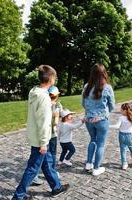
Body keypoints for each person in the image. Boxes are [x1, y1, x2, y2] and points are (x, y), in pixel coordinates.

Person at [12, 65, 69, 200]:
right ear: (50, 79)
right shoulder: (43, 97)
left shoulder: (35, 91)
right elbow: (43, 123)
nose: (55, 79)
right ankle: (18, 196)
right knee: (32, 168)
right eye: (54, 77)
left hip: (37, 137)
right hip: (41, 139)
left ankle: (56, 187)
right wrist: (43, 143)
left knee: (47, 162)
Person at [82, 63, 115, 176]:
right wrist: (103, 112)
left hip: (89, 119)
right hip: (101, 120)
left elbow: (83, 104)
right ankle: (96, 168)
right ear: (104, 73)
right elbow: (112, 106)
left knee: (92, 140)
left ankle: (88, 163)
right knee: (100, 144)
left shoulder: (87, 86)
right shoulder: (107, 87)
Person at [32, 86, 63, 185]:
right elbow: (56, 121)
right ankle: (52, 172)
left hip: (41, 134)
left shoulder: (42, 103)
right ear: (57, 96)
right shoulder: (56, 106)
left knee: (39, 156)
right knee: (52, 154)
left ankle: (35, 176)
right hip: (51, 134)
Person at [110, 103, 132, 170]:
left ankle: (124, 164)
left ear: (125, 110)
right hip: (129, 135)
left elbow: (117, 126)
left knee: (123, 150)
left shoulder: (121, 118)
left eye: (121, 109)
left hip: (122, 135)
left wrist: (108, 126)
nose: (120, 110)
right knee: (131, 147)